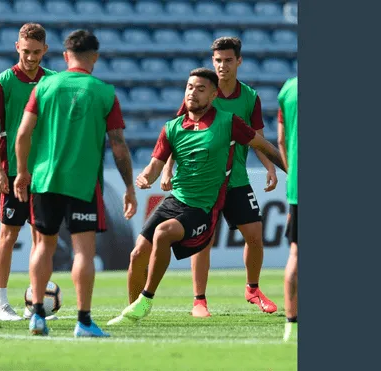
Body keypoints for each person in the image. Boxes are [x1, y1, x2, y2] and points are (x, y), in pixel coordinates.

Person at [107, 68, 287, 325]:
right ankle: (132, 313)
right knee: (137, 256)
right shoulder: (171, 128)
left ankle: (147, 298)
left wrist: (290, 170)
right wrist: (146, 177)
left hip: (204, 206)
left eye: (201, 89)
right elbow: (155, 165)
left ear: (213, 95)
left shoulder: (229, 122)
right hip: (176, 200)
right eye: (190, 87)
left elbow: (263, 145)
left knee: (164, 233)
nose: (193, 92)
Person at [14, 30, 137, 337]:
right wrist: (129, 187)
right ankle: (83, 321)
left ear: (65, 55)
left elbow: (23, 134)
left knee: (43, 245)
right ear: (94, 57)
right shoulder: (104, 92)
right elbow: (119, 145)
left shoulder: (44, 86)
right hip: (83, 183)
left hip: (44, 179)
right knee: (83, 251)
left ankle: (37, 315)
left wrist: (21, 172)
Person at [0, 23, 57, 321]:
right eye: (26, 51)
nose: (30, 57)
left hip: (45, 174)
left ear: (46, 51)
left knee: (42, 237)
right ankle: (0, 304)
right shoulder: (3, 82)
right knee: (7, 235)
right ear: (17, 47)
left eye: (36, 52)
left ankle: (35, 303)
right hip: (12, 172)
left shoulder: (53, 81)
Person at [276, 76, 298, 342]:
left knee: (296, 253)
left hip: (298, 185)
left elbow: (281, 141)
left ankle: (292, 326)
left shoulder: (288, 88)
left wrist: (292, 174)